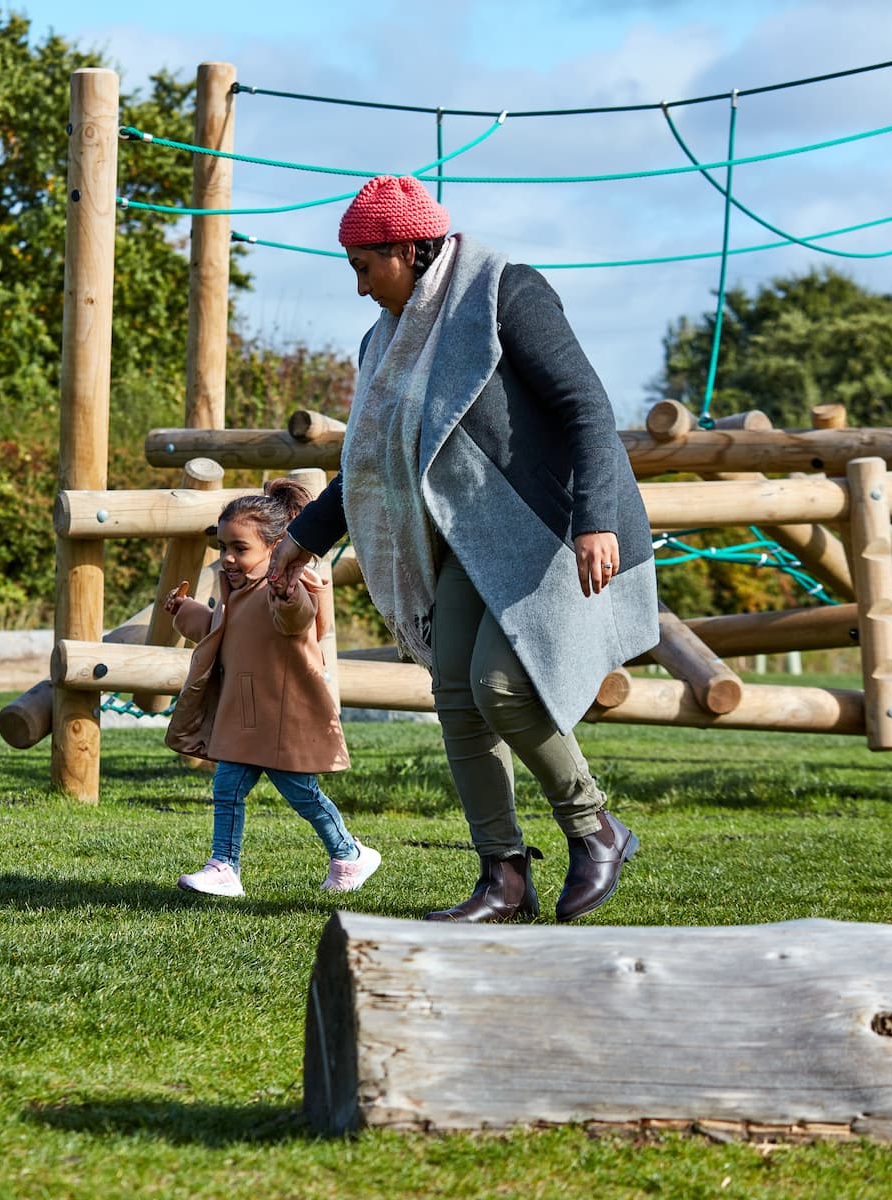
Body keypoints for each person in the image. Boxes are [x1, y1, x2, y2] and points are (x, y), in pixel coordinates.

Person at [268, 175, 659, 924]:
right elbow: (370, 462)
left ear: (407, 250)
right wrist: (303, 538)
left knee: (500, 687)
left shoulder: (505, 292)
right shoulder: (385, 340)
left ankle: (594, 827)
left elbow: (585, 406)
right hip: (464, 539)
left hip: (551, 525)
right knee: (456, 696)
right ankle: (503, 880)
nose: (360, 288)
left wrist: (595, 519)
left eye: (365, 267)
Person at [164, 478, 381, 898]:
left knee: (303, 795)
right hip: (247, 715)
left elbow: (298, 619)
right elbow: (218, 630)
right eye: (223, 547)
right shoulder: (237, 591)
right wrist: (184, 610)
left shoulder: (287, 589)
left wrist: (286, 592)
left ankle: (350, 854)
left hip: (283, 718)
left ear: (276, 546)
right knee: (227, 787)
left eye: (239, 548)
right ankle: (224, 866)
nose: (228, 558)